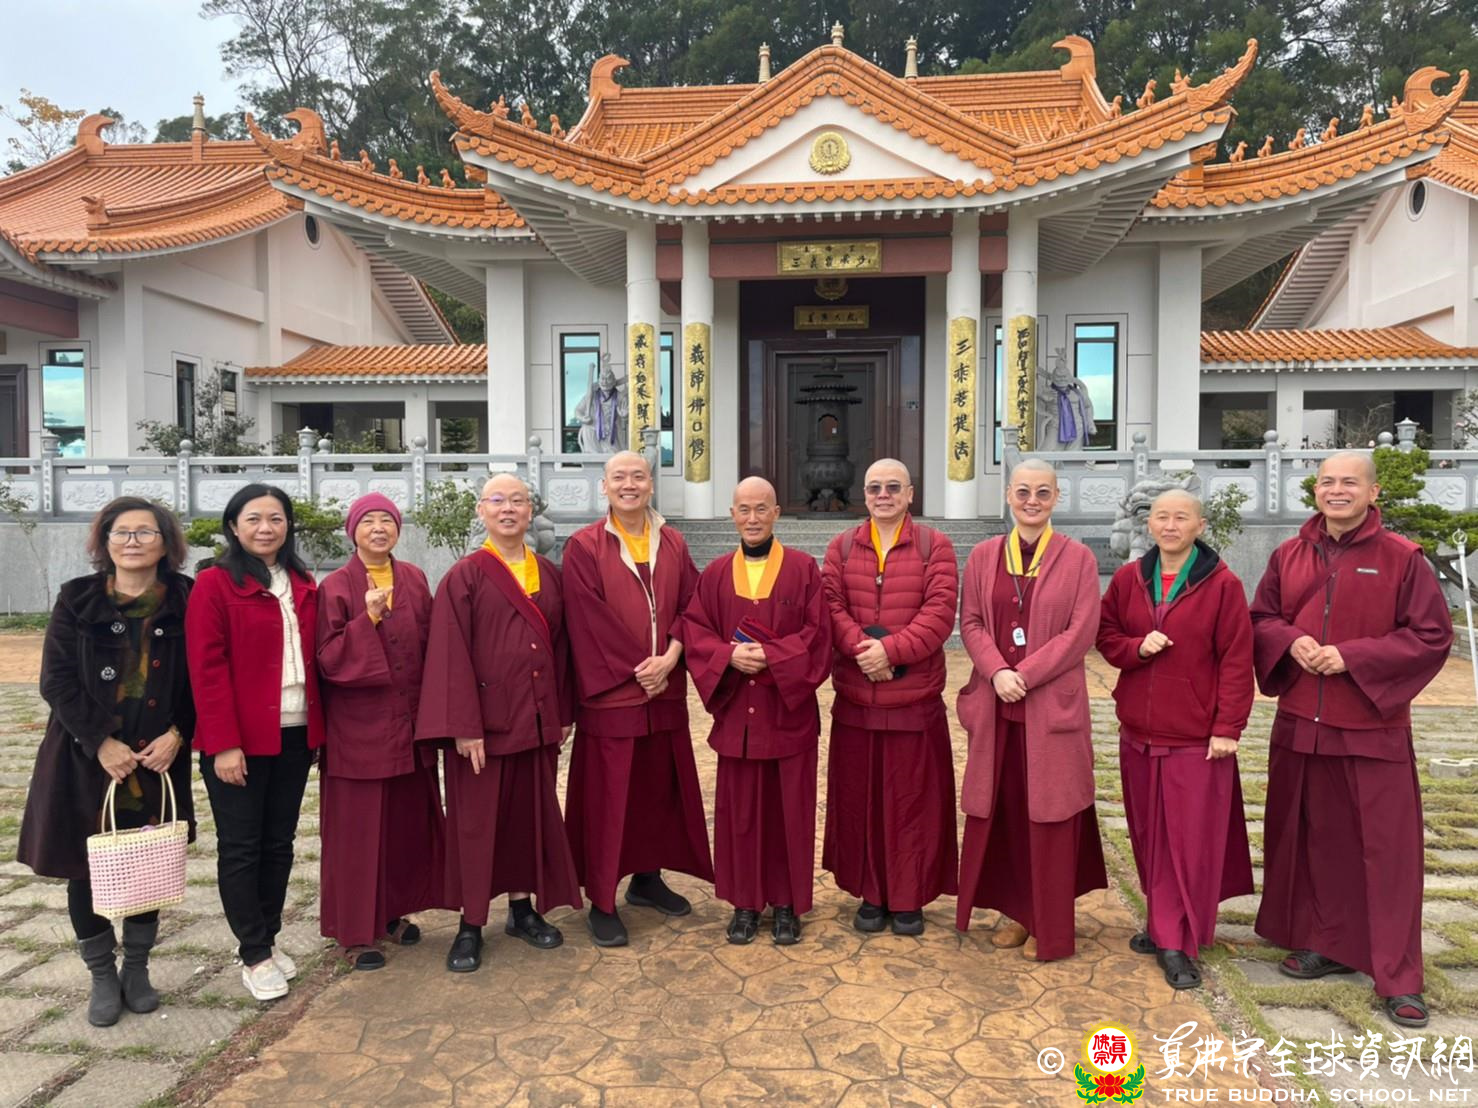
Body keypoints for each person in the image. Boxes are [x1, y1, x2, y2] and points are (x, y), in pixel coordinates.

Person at [1251, 451, 1452, 1028]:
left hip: (1370, 725)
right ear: (1315, 490)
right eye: (1327, 482)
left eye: (1349, 482)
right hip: (1301, 723)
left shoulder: (1402, 558)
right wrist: (1289, 640)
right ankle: (1329, 942)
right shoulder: (1289, 554)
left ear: (1372, 492)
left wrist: (1353, 657)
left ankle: (1399, 975)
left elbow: (1431, 635)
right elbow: (1261, 617)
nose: (1336, 490)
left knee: (1387, 853)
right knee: (1317, 840)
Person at [18, 498, 195, 1027]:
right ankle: (101, 973)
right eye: (122, 532)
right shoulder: (77, 598)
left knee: (145, 859)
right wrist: (99, 741)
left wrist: (179, 734)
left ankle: (136, 968)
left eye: (146, 532)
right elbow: (56, 680)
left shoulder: (186, 598)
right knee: (86, 865)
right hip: (83, 756)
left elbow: (204, 675)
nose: (133, 541)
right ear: (105, 541)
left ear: (165, 543)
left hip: (156, 756)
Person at [416, 474, 582, 971]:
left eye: (517, 501)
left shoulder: (547, 573)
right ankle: (470, 923)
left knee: (527, 818)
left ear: (531, 512)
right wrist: (464, 726)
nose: (508, 509)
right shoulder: (465, 575)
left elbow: (562, 648)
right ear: (481, 511)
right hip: (484, 727)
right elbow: (449, 654)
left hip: (536, 718)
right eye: (497, 501)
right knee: (476, 824)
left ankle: (521, 910)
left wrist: (562, 712)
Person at [1097, 489, 1255, 988]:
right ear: (1149, 525)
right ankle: (1163, 920)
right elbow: (1106, 637)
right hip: (1138, 731)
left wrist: (1227, 727)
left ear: (1199, 525)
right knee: (1148, 835)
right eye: (1161, 517)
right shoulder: (1130, 579)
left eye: (1181, 517)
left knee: (1185, 842)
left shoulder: (1222, 584)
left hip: (1193, 736)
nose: (1169, 525)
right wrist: (1136, 648)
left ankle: (1178, 943)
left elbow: (1237, 660)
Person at [561, 450, 714, 947]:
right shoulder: (584, 546)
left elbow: (694, 604)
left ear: (651, 484)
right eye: (619, 477)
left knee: (655, 790)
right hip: (613, 696)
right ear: (604, 486)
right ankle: (602, 899)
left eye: (639, 476)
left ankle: (647, 880)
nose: (630, 485)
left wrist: (670, 658)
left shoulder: (672, 541)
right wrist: (640, 670)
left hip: (663, 688)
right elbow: (586, 618)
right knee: (609, 798)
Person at [955, 458, 1107, 959]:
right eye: (1023, 492)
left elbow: (1080, 631)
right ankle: (1015, 912)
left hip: (1050, 707)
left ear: (1056, 498)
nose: (1032, 501)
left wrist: (1026, 674)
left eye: (1043, 492)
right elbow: (971, 622)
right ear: (1009, 496)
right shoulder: (984, 556)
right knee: (1005, 811)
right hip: (997, 706)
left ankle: (1049, 921)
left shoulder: (1078, 558)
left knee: (1051, 814)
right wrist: (997, 671)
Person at [187, 484, 323, 1002]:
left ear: (288, 525)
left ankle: (268, 936)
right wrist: (223, 744)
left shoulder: (302, 581)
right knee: (242, 847)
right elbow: (206, 668)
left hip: (295, 732)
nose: (266, 528)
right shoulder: (215, 583)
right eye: (254, 519)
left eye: (276, 519)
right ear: (233, 526)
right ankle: (254, 953)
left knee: (279, 843)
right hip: (240, 739)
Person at [682, 477, 831, 945]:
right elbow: (695, 631)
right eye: (743, 509)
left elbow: (819, 636)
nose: (752, 518)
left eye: (761, 509)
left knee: (790, 812)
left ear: (776, 513)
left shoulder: (803, 570)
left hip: (786, 715)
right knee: (741, 814)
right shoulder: (715, 574)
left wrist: (772, 656)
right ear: (732, 514)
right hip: (739, 720)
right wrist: (727, 656)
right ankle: (745, 903)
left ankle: (786, 904)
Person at [821, 459, 958, 935]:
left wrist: (890, 652)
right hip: (857, 698)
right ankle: (871, 893)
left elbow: (940, 613)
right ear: (864, 495)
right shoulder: (842, 547)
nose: (884, 495)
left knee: (911, 804)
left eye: (893, 487)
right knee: (860, 801)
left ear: (910, 494)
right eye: (875, 487)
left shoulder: (934, 546)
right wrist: (865, 653)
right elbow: (831, 606)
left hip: (912, 701)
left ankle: (908, 897)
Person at [316, 493, 444, 970]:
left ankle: (391, 914)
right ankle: (353, 933)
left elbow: (432, 644)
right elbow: (328, 659)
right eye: (367, 521)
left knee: (400, 827)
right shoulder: (336, 586)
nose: (378, 528)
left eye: (386, 520)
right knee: (357, 833)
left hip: (408, 724)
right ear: (353, 531)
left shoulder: (413, 577)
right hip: (359, 731)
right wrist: (367, 619)